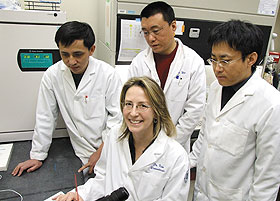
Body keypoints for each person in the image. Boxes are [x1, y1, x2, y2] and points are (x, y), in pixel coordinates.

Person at [12, 21, 122, 178]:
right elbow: (46, 116)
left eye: (78, 54)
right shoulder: (52, 75)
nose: (71, 61)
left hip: (109, 146)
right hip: (80, 150)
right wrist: (37, 155)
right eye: (65, 54)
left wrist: (102, 151)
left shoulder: (108, 74)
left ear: (91, 50)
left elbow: (117, 118)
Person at [54, 76, 190, 201]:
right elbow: (103, 180)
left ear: (157, 111)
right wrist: (80, 195)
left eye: (142, 106)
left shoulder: (176, 156)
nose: (133, 113)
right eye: (128, 104)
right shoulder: (114, 136)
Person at [189, 20, 280, 201]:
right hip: (202, 192)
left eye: (225, 60)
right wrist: (184, 163)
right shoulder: (216, 88)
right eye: (213, 59)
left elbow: (268, 176)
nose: (216, 68)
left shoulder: (271, 105)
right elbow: (205, 137)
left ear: (251, 59)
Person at [127, 1, 206, 152]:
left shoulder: (193, 62)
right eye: (145, 32)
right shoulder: (139, 62)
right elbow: (130, 103)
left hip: (175, 144)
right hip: (142, 141)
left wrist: (170, 142)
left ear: (173, 26)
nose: (150, 38)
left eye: (156, 31)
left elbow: (195, 110)